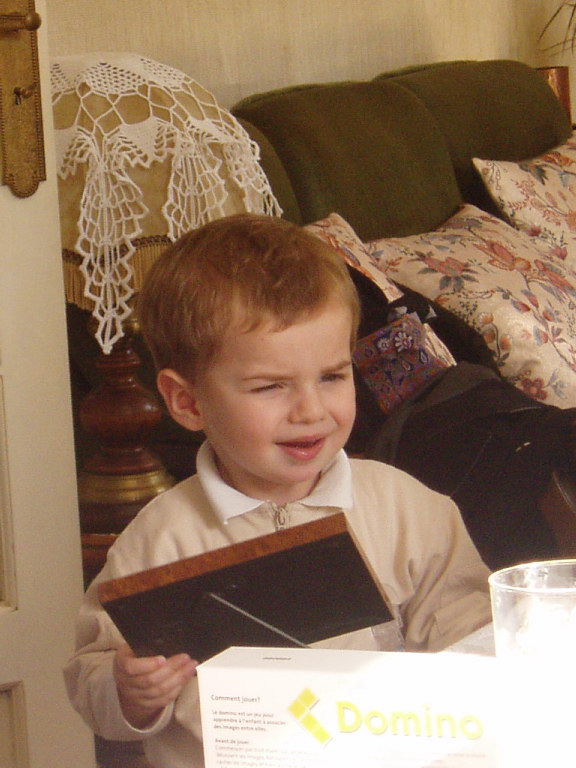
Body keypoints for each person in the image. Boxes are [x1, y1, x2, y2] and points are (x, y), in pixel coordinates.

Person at [64, 213, 492, 768]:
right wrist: (128, 690)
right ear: (188, 402)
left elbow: (470, 634)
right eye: (270, 387)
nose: (311, 411)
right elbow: (93, 671)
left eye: (332, 377)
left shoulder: (407, 509)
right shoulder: (159, 539)